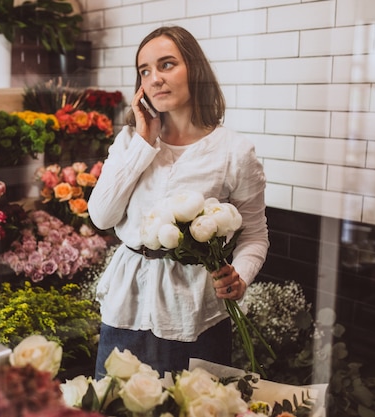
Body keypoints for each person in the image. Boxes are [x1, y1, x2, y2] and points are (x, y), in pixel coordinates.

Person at [87, 26, 269, 378]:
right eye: (145, 71)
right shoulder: (130, 141)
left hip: (195, 312)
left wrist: (240, 277)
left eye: (167, 65)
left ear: (194, 70)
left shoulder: (234, 151)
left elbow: (255, 236)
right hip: (128, 304)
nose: (155, 78)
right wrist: (144, 141)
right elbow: (102, 216)